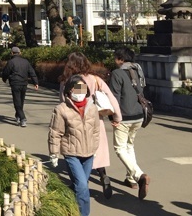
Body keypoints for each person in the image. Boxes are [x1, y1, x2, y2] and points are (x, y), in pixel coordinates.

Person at [59, 52, 122, 199]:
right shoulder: (96, 79)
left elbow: (63, 102)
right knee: (95, 151)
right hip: (95, 121)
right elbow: (111, 98)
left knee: (77, 153)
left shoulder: (68, 81)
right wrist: (117, 117)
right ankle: (103, 176)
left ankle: (81, 185)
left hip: (74, 122)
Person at [49, 75, 101, 216]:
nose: (79, 92)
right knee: (83, 186)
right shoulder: (61, 109)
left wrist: (95, 148)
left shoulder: (92, 108)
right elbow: (55, 132)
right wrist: (54, 153)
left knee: (79, 186)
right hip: (71, 153)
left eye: (81, 88)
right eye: (75, 88)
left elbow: (96, 130)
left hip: (89, 153)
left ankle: (68, 205)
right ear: (69, 91)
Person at [109, 46, 150, 200]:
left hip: (124, 115)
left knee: (119, 148)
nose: (114, 60)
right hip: (139, 114)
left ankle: (139, 176)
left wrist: (114, 117)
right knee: (129, 146)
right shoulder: (138, 69)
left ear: (120, 59)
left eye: (115, 58)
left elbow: (114, 97)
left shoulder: (117, 73)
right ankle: (131, 179)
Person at [1, 46, 38, 127]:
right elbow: (32, 72)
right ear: (20, 53)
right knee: (21, 100)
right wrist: (36, 82)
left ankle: (22, 118)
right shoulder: (26, 62)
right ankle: (18, 115)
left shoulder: (11, 62)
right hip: (24, 83)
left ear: (12, 53)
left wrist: (4, 79)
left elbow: (6, 72)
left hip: (15, 83)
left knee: (17, 101)